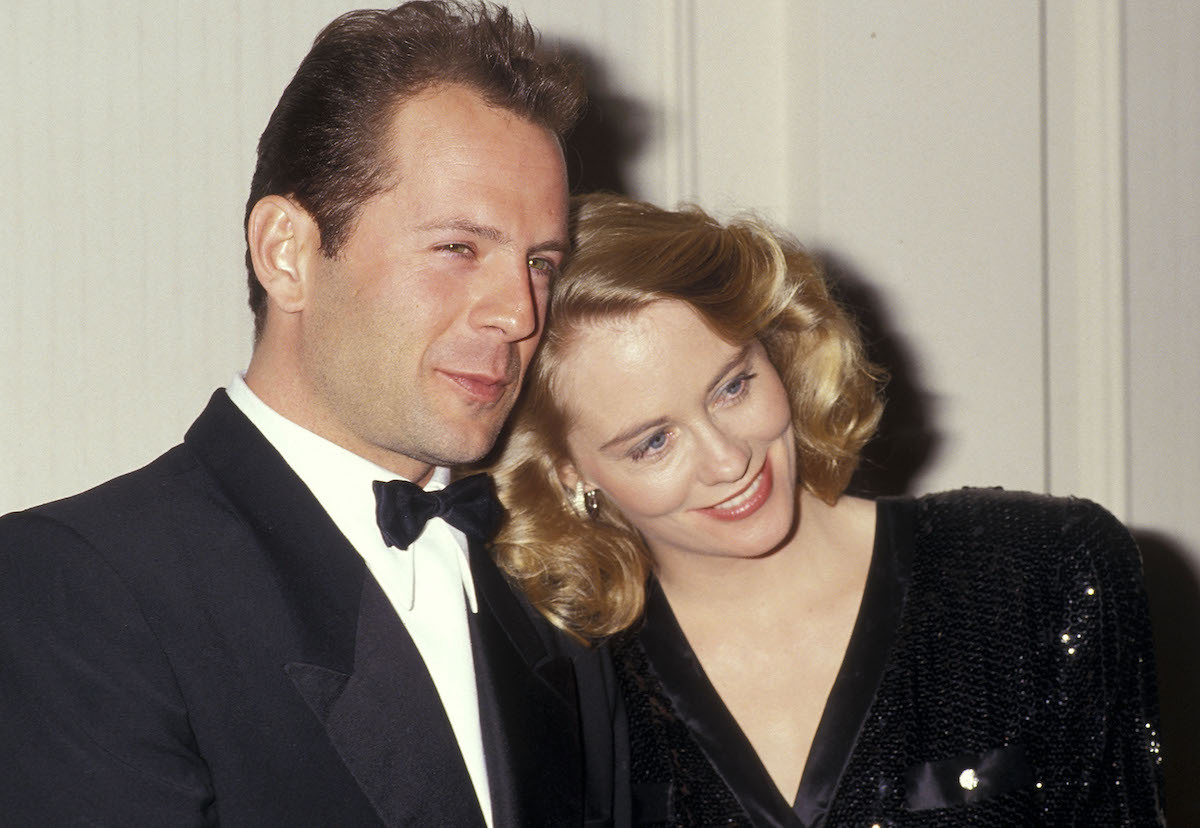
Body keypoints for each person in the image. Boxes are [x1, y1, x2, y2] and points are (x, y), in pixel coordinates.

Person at [0, 4, 629, 826]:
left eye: (540, 262)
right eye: (458, 248)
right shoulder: (77, 586)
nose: (518, 312)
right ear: (287, 254)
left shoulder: (549, 593)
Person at [485, 193, 1165, 826]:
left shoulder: (1041, 575)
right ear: (569, 472)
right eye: (653, 442)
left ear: (775, 349)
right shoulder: (561, 686)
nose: (729, 460)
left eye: (732, 387)